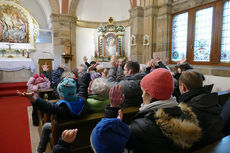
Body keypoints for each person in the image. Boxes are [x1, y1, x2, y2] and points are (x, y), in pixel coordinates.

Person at [105, 68, 202, 153]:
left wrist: (113, 112)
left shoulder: (142, 126)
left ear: (150, 94)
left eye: (143, 92)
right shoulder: (183, 114)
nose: (142, 96)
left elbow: (112, 143)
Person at [17, 65, 92, 153]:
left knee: (46, 126)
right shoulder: (82, 100)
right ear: (75, 91)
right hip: (80, 131)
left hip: (62, 133)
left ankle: (39, 151)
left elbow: (47, 106)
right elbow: (83, 88)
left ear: (60, 94)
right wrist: (87, 73)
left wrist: (33, 98)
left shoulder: (62, 108)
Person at [178, 70, 224, 151]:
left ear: (183, 87)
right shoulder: (211, 100)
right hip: (215, 145)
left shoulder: (188, 110)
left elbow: (183, 143)